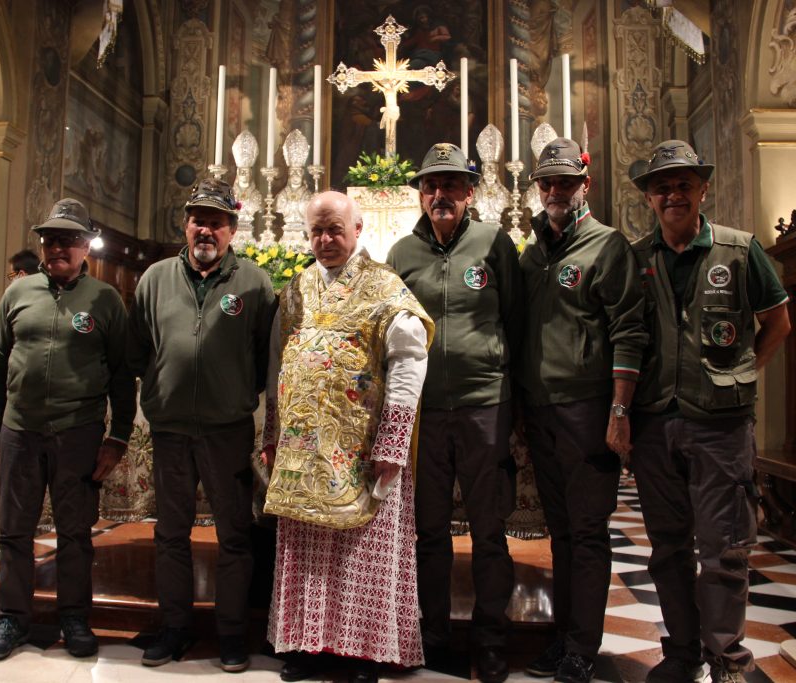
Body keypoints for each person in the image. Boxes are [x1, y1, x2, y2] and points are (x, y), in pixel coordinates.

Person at [628, 140, 791, 683]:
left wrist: (743, 370)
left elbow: (779, 322)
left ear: (703, 189)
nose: (673, 195)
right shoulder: (637, 257)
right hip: (656, 420)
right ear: (649, 198)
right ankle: (681, 653)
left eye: (683, 185)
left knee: (724, 548)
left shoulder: (739, 250)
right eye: (662, 187)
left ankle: (727, 658)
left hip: (721, 425)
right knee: (668, 549)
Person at [262, 191, 433, 683]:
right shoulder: (296, 290)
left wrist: (393, 441)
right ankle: (306, 645)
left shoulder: (385, 288)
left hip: (363, 448)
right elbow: (277, 364)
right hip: (302, 448)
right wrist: (272, 433)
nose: (325, 239)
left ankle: (361, 654)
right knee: (306, 551)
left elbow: (409, 362)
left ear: (358, 230)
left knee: (361, 555)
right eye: (316, 230)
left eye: (334, 229)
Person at [0, 198, 136, 663]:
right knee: (14, 531)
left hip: (78, 432)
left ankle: (75, 618)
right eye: (50, 239)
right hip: (20, 430)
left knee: (75, 533)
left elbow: (121, 374)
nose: (57, 248)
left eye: (68, 239)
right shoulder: (18, 293)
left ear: (86, 246)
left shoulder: (105, 300)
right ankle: (11, 619)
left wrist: (118, 436)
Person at [386, 143, 522, 683]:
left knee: (489, 530)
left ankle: (490, 639)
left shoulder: (494, 242)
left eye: (451, 185)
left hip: (485, 403)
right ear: (421, 194)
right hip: (424, 411)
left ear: (469, 191)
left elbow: (515, 318)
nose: (440, 194)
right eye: (431, 185)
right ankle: (434, 634)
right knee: (429, 531)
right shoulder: (401, 253)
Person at [128, 178, 276, 672]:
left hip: (226, 430)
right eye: (198, 220)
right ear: (185, 225)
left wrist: (230, 392)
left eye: (216, 222)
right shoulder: (154, 279)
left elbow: (264, 358)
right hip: (170, 430)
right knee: (171, 534)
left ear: (232, 229)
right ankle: (174, 628)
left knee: (234, 535)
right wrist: (163, 389)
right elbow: (138, 349)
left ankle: (231, 633)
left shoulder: (255, 283)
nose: (206, 230)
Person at [517, 138, 648, 683]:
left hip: (588, 411)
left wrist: (619, 411)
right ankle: (564, 637)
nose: (555, 190)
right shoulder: (532, 252)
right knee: (562, 531)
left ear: (584, 185)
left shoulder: (607, 246)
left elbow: (630, 331)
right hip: (541, 410)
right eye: (547, 182)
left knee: (589, 531)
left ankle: (582, 648)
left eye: (565, 182)